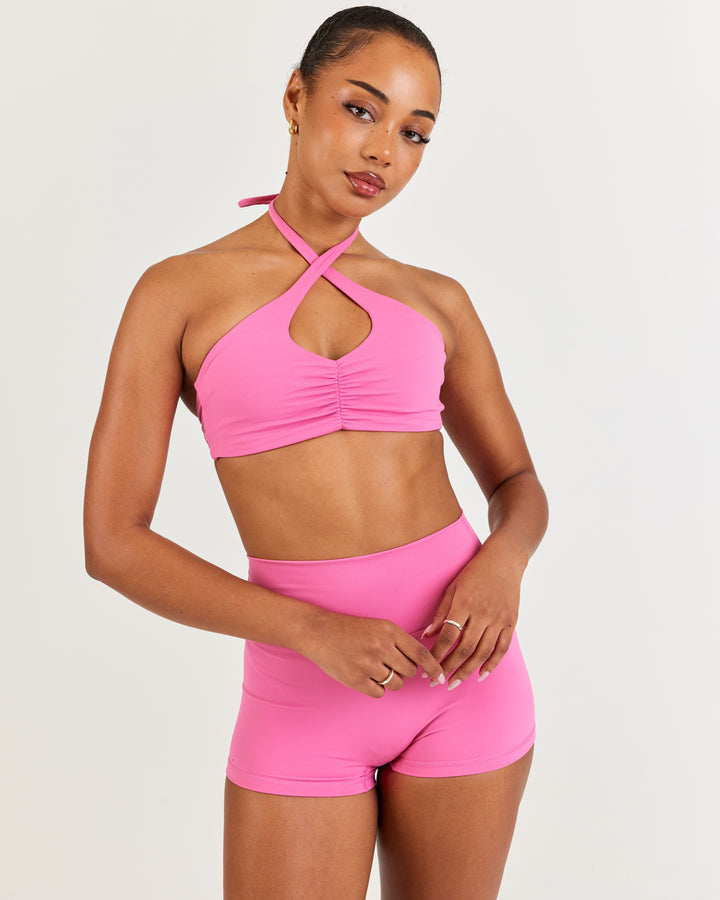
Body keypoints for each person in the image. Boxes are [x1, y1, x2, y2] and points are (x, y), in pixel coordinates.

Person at [84, 6, 549, 898]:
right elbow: (112, 543)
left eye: (414, 133)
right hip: (303, 694)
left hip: (464, 678)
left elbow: (517, 482)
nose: (383, 151)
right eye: (361, 109)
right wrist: (310, 631)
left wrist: (503, 565)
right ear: (296, 98)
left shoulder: (437, 299)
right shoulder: (176, 294)